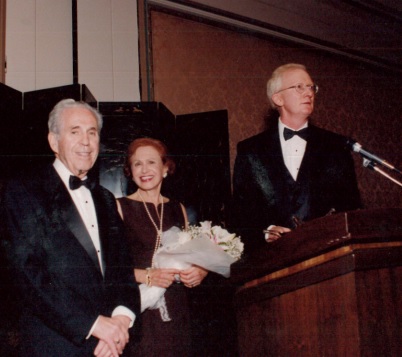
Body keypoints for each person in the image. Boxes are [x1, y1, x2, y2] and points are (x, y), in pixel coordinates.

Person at [0, 99, 140, 357]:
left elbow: (123, 267)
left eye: (92, 132)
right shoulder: (23, 192)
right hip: (55, 345)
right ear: (54, 142)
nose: (86, 142)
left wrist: (121, 321)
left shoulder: (106, 199)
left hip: (112, 346)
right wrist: (94, 324)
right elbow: (27, 275)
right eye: (74, 132)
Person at [233, 63, 362, 252]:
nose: (309, 93)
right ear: (278, 98)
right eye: (299, 87)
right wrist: (266, 231)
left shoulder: (336, 146)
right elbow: (240, 214)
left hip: (328, 256)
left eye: (311, 87)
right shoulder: (250, 150)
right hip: (274, 262)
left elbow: (352, 207)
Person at [116, 137, 208, 356]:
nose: (144, 169)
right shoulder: (120, 207)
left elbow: (192, 256)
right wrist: (147, 276)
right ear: (130, 170)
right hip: (142, 310)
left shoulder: (179, 208)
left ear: (165, 167)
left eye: (151, 162)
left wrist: (201, 271)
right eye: (137, 164)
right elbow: (111, 269)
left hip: (178, 307)